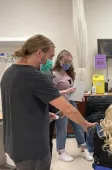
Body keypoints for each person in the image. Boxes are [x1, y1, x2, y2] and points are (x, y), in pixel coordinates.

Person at [0, 34, 95, 170]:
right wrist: (85, 125)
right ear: (39, 52)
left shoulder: (8, 73)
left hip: (13, 146)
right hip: (33, 150)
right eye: (50, 56)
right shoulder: (36, 76)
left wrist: (44, 115)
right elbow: (67, 109)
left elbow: (20, 105)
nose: (50, 61)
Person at [52, 50, 93, 162]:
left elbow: (70, 90)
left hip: (71, 102)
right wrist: (66, 91)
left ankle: (84, 149)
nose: (67, 64)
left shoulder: (68, 72)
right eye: (65, 61)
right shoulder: (54, 74)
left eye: (69, 62)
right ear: (59, 60)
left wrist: (79, 95)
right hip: (60, 105)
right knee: (62, 129)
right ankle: (61, 151)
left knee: (78, 125)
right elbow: (51, 93)